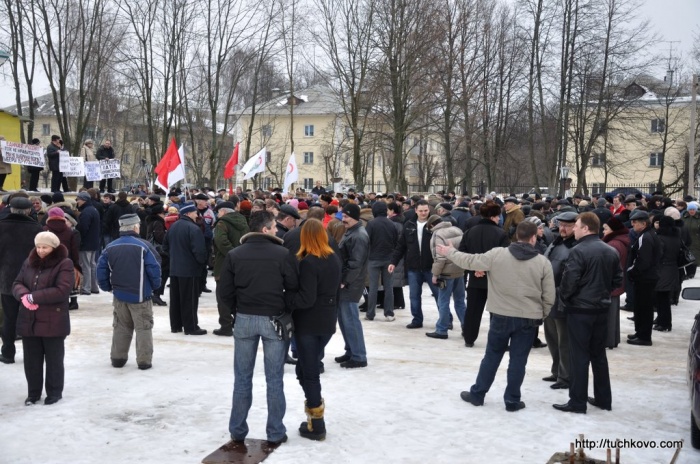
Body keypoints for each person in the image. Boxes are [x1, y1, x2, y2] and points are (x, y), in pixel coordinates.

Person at [437, 222, 555, 412]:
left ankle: (478, 394)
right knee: (518, 360)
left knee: (491, 356)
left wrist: (450, 252)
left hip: (500, 315)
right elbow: (549, 295)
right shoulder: (542, 262)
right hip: (528, 318)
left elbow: (470, 260)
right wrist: (543, 313)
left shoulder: (497, 255)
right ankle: (512, 400)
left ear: (517, 236)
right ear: (533, 238)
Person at [218, 210, 298, 445]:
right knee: (274, 379)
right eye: (274, 226)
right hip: (273, 318)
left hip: (245, 317)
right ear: (265, 229)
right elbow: (293, 286)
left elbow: (225, 291)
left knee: (242, 378)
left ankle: (237, 430)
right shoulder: (282, 254)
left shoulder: (235, 254)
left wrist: (237, 309)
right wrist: (284, 307)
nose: (276, 230)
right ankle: (275, 431)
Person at [553, 212, 622, 414]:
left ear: (586, 228)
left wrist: (566, 299)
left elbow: (569, 282)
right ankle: (603, 399)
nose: (573, 229)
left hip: (581, 310)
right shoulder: (610, 251)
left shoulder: (578, 251)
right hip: (601, 309)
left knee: (579, 356)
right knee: (598, 355)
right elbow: (617, 280)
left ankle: (577, 401)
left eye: (576, 225)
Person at [288, 219, 342, 440]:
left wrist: (286, 298)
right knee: (304, 369)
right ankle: (313, 416)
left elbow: (306, 298)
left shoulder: (310, 262)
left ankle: (317, 423)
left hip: (309, 322)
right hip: (327, 321)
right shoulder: (334, 258)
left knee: (309, 373)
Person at [13, 231, 74, 405]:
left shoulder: (64, 263)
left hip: (53, 320)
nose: (40, 250)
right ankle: (33, 393)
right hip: (29, 319)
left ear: (53, 248)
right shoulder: (29, 262)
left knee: (54, 359)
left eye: (45, 247)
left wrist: (34, 297)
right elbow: (17, 283)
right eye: (38, 247)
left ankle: (54, 392)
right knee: (32, 360)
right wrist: (24, 295)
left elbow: (62, 290)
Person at [97, 214, 161, 370]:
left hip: (119, 295)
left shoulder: (110, 247)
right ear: (135, 227)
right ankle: (144, 360)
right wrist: (155, 286)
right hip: (141, 296)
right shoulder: (144, 246)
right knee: (143, 327)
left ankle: (118, 358)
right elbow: (154, 268)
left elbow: (100, 270)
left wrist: (107, 287)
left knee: (121, 326)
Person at [0, 197, 45, 364]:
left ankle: (8, 352)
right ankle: (32, 355)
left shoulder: (1, 226)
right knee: (31, 317)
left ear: (10, 209)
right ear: (28, 210)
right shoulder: (37, 229)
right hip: (31, 280)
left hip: (6, 280)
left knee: (9, 317)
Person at [459, 201, 509, 347]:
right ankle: (498, 341)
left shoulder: (469, 232)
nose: (500, 219)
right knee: (497, 312)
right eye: (498, 216)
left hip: (475, 278)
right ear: (494, 216)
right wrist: (486, 269)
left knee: (473, 311)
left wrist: (476, 268)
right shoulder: (501, 233)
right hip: (495, 280)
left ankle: (469, 338)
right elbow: (504, 257)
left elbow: (462, 254)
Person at [542, 211, 578, 389]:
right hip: (549, 298)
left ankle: (565, 376)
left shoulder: (574, 247)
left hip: (562, 299)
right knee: (552, 338)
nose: (563, 228)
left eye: (568, 225)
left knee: (564, 341)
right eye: (561, 225)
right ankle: (556, 371)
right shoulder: (556, 242)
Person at [389, 200, 438, 329]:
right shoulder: (409, 224)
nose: (423, 213)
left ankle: (446, 319)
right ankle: (417, 319)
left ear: (429, 210)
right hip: (413, 267)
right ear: (416, 210)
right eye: (421, 211)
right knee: (414, 296)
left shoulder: (435, 224)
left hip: (431, 267)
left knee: (439, 295)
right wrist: (393, 262)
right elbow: (401, 246)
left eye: (425, 210)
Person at [162, 203, 208, 335]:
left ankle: (176, 326)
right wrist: (201, 264)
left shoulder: (173, 227)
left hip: (175, 269)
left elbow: (165, 247)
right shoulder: (193, 229)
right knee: (189, 299)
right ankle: (191, 326)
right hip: (190, 270)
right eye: (195, 212)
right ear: (188, 214)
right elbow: (199, 251)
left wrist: (174, 258)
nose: (197, 215)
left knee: (175, 299)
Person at [334, 203, 369, 368]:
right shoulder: (351, 232)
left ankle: (359, 356)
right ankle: (351, 350)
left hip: (350, 284)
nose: (343, 219)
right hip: (346, 282)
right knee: (344, 319)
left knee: (350, 320)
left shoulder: (359, 236)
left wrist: (345, 281)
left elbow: (356, 263)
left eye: (346, 217)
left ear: (354, 217)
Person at [212, 199, 249, 336]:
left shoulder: (221, 224)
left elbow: (221, 242)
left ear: (223, 212)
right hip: (242, 264)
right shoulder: (244, 222)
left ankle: (225, 325)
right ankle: (239, 323)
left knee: (223, 297)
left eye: (219, 211)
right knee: (238, 295)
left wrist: (233, 254)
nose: (218, 214)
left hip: (224, 265)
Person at [626, 210, 661, 346]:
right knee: (641, 307)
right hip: (647, 277)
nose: (632, 224)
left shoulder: (645, 237)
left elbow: (643, 260)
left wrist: (632, 272)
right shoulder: (648, 235)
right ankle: (640, 332)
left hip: (645, 278)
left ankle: (644, 336)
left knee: (644, 308)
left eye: (635, 222)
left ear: (643, 223)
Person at [428, 215, 466, 339]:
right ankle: (467, 328)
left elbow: (440, 257)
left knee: (443, 301)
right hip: (459, 270)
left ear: (432, 225)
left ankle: (442, 330)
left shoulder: (437, 235)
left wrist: (435, 274)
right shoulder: (457, 230)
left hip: (446, 273)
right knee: (460, 301)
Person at [364, 201, 398, 322]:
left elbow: (367, 241)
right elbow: (396, 241)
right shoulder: (392, 224)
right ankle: (389, 313)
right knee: (389, 287)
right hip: (389, 259)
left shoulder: (371, 224)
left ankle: (370, 313)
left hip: (373, 258)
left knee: (373, 287)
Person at [601, 217, 629, 349]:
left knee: (609, 316)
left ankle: (608, 340)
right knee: (613, 315)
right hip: (615, 284)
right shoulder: (618, 241)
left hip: (610, 284)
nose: (603, 232)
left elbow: (609, 266)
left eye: (606, 229)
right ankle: (612, 339)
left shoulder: (613, 244)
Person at [653, 215, 681, 332]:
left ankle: (664, 323)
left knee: (662, 299)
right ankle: (663, 322)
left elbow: (657, 255)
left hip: (662, 270)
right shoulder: (676, 238)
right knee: (665, 298)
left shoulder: (660, 238)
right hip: (673, 270)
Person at [75, 191, 101, 295]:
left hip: (86, 243)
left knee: (85, 265)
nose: (77, 202)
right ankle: (94, 287)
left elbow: (83, 228)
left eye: (78, 200)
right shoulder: (93, 209)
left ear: (83, 200)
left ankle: (86, 288)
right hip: (93, 242)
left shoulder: (86, 212)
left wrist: (79, 239)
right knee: (92, 265)